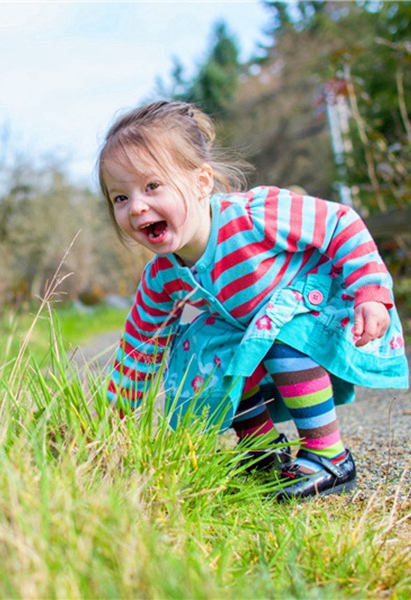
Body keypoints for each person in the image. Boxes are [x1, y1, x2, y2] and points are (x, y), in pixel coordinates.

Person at [98, 100, 409, 501]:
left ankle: (329, 455)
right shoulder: (162, 278)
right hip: (258, 330)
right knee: (207, 352)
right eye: (120, 198)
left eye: (152, 186)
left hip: (318, 311)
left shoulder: (255, 216)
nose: (137, 206)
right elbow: (139, 351)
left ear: (201, 182)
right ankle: (263, 453)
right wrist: (111, 424)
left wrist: (370, 291)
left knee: (281, 335)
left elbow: (339, 222)